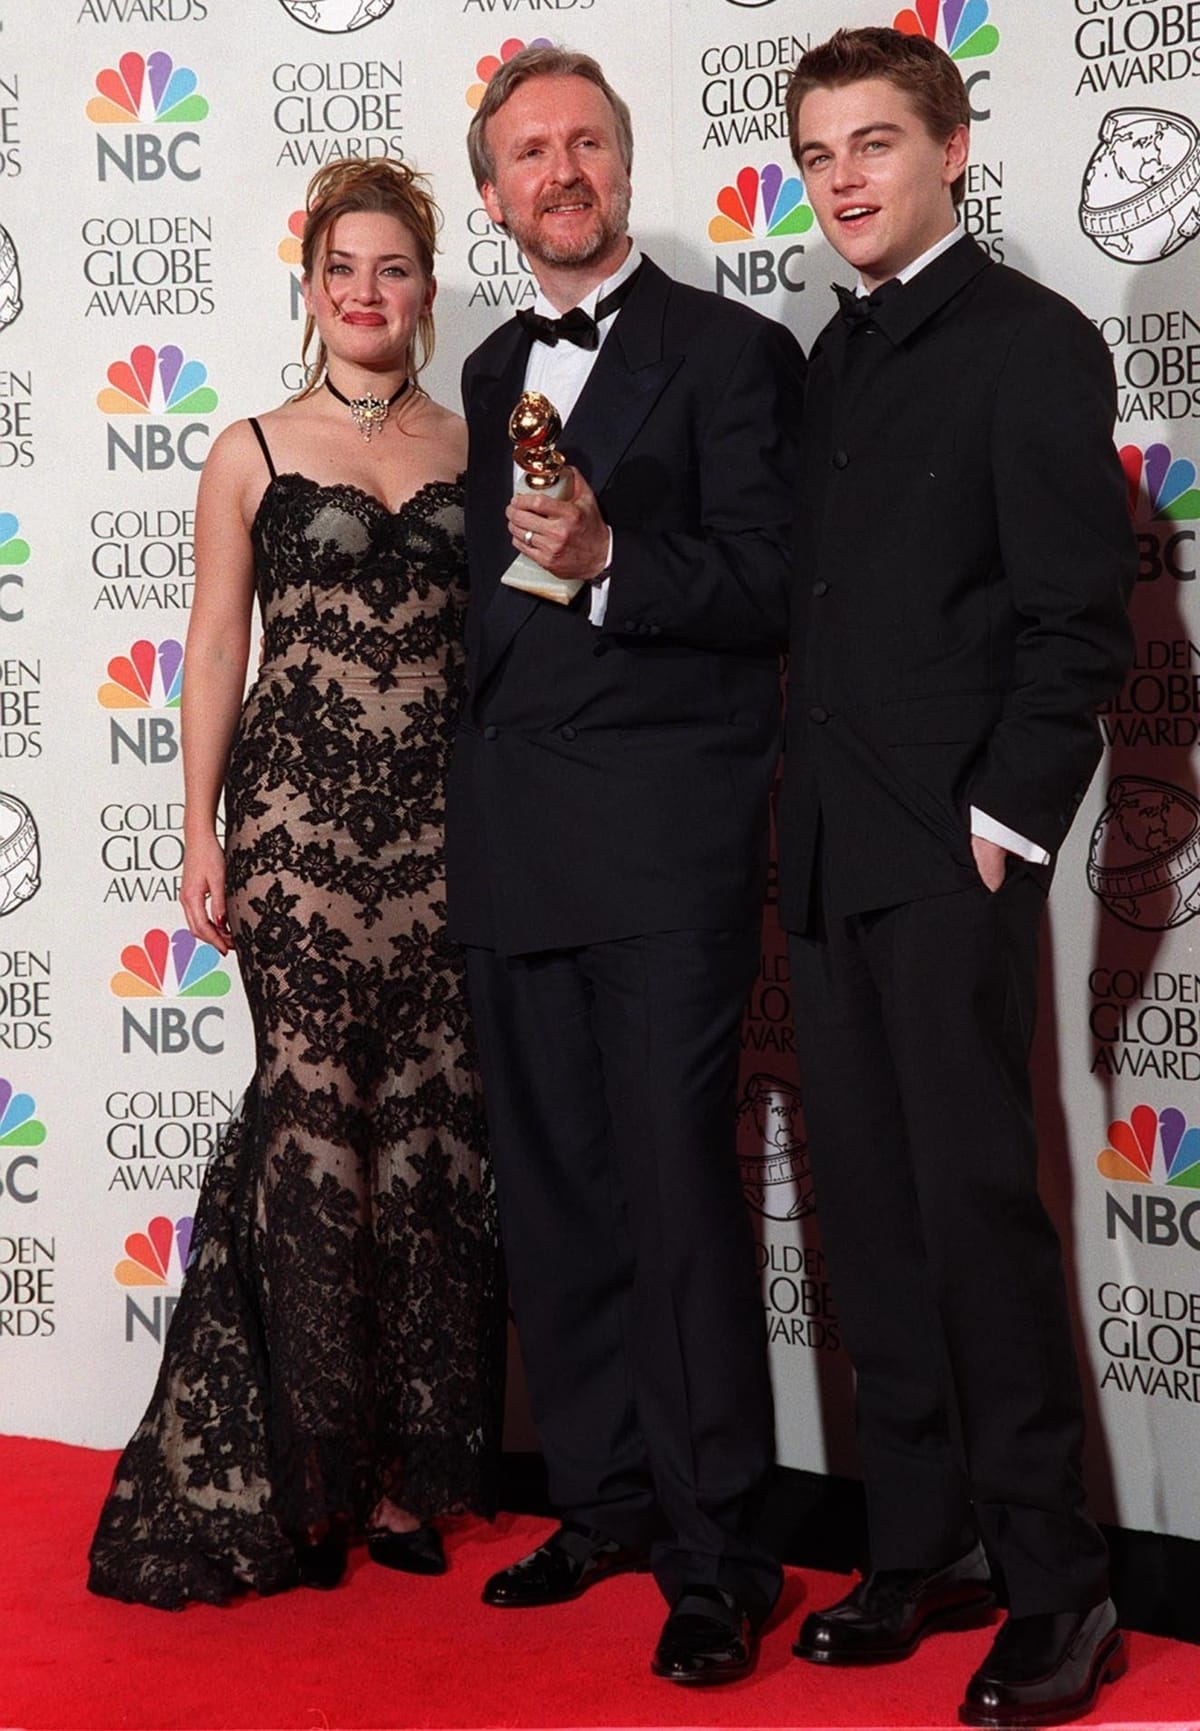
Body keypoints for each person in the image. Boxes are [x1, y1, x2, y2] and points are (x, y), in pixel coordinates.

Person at [778, 27, 1135, 1727]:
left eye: (876, 144)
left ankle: (1061, 1587)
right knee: (870, 1214)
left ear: (951, 149)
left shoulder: (1031, 346)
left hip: (947, 859)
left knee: (981, 1221)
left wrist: (1000, 824)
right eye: (821, 153)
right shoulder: (827, 364)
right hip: (830, 858)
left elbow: (1077, 624)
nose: (845, 177)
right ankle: (924, 1541)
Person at [88, 158, 504, 1610]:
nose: (369, 294)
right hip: (298, 834)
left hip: (449, 832)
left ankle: (410, 1472)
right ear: (312, 283)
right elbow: (216, 647)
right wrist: (198, 830)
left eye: (394, 270)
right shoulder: (252, 447)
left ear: (428, 289)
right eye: (345, 270)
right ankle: (309, 1472)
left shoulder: (481, 444)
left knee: (433, 1137)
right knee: (315, 1122)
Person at [445, 44, 805, 1687]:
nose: (560, 171)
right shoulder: (490, 365)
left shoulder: (733, 353)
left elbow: (769, 585)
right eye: (529, 153)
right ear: (495, 193)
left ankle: (719, 1549)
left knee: (673, 1195)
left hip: (666, 841)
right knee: (563, 1189)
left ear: (624, 161)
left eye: (584, 141)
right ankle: (597, 1502)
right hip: (516, 839)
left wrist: (610, 563)